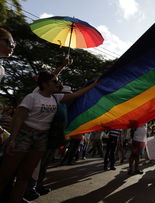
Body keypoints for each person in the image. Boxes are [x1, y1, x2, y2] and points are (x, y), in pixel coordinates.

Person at [0, 71, 98, 203]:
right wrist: (12, 139)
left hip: (41, 138)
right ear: (45, 84)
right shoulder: (32, 97)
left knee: (25, 176)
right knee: (5, 174)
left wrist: (95, 84)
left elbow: (77, 94)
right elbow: (19, 117)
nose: (58, 84)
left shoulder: (56, 98)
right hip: (24, 136)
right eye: (55, 81)